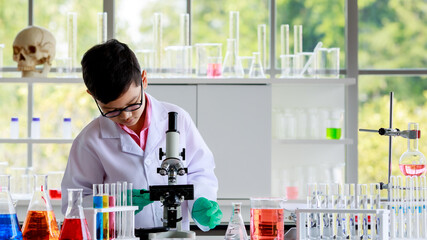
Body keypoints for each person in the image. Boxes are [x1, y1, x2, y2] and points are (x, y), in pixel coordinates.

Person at [61, 39, 222, 231]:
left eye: (132, 103)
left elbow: (200, 171)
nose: (126, 116)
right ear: (91, 95)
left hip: (176, 233)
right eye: (111, 110)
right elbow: (73, 204)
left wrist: (200, 202)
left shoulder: (178, 119)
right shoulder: (90, 140)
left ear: (144, 79)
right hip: (123, 235)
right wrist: (111, 203)